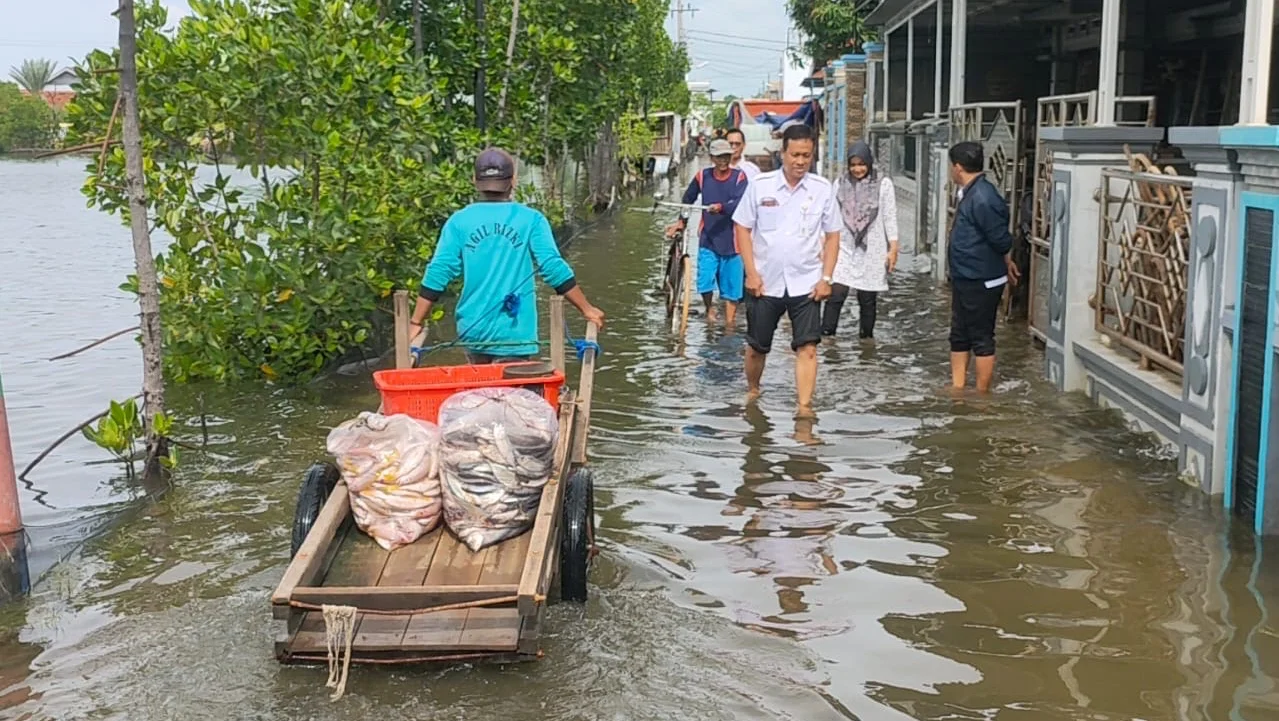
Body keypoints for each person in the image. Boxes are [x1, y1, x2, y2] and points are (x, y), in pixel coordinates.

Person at [409, 147, 605, 363]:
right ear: (513, 181)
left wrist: (416, 322)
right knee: (512, 392)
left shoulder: (458, 221)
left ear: (475, 180)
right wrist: (587, 309)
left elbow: (439, 272)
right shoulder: (531, 219)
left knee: (483, 389)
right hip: (516, 331)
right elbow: (552, 267)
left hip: (474, 330)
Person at [731, 124, 841, 416]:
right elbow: (742, 227)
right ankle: (753, 389)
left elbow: (833, 236)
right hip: (765, 282)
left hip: (806, 283)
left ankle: (804, 409)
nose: (800, 162)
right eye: (795, 155)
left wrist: (826, 278)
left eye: (806, 155)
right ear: (783, 154)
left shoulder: (822, 189)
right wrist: (751, 272)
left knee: (808, 348)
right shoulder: (761, 185)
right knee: (757, 347)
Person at [946, 141, 1020, 392]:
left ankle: (981, 393)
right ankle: (957, 387)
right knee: (960, 332)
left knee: (980, 335)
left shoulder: (982, 197)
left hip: (981, 278)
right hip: (966, 275)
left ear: (957, 168)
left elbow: (1000, 238)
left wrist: (1006, 259)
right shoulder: (972, 192)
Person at [665, 138, 749, 326]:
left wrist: (721, 207)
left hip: (733, 238)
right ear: (712, 157)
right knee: (704, 280)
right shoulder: (703, 176)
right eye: (719, 157)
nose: (723, 161)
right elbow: (688, 199)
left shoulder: (739, 177)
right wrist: (682, 221)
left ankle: (729, 322)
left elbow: (740, 202)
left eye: (726, 156)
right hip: (708, 237)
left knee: (732, 288)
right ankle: (709, 309)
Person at [823, 141, 899, 340]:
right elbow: (830, 216)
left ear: (869, 162)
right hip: (844, 245)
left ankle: (866, 342)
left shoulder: (883, 184)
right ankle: (826, 338)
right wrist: (823, 244)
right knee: (835, 294)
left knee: (867, 299)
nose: (857, 169)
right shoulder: (839, 184)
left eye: (861, 164)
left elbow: (889, 216)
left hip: (872, 247)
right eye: (853, 164)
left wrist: (893, 248)